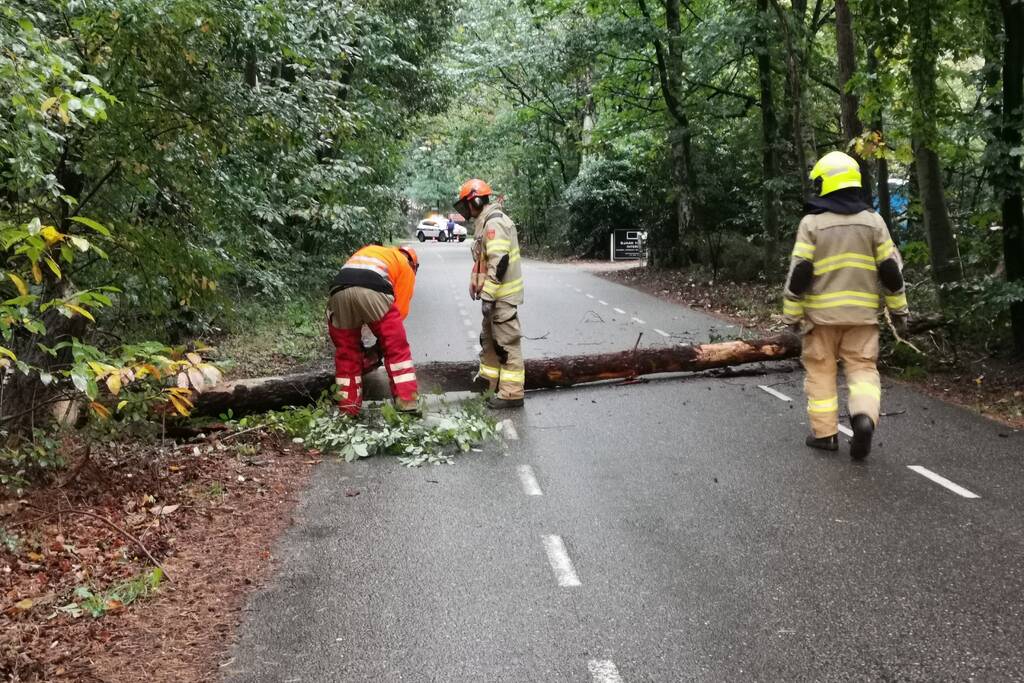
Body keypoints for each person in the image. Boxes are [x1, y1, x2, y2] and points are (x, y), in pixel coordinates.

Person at [781, 151, 909, 459]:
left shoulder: (811, 224)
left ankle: (826, 435)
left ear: (826, 183)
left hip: (821, 319)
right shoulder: (874, 222)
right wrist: (900, 311)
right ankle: (863, 417)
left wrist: (791, 316)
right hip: (862, 318)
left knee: (821, 372)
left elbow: (800, 273)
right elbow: (891, 272)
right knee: (863, 369)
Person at [455, 178, 525, 409]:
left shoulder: (494, 224)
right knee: (489, 343)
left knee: (506, 345)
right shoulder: (486, 223)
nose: (466, 211)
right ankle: (488, 384)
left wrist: (488, 295)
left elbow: (500, 262)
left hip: (501, 298)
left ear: (475, 201)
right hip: (494, 298)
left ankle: (512, 394)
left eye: (467, 205)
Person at [327, 245, 420, 415]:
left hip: (337, 290)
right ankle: (407, 403)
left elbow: (355, 289)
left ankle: (348, 409)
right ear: (414, 265)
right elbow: (398, 314)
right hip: (372, 288)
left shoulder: (376, 252)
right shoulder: (406, 266)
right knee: (396, 349)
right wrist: (381, 347)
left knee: (347, 353)